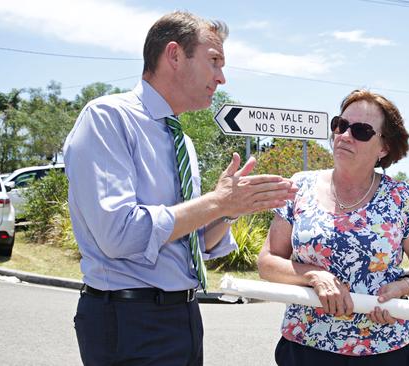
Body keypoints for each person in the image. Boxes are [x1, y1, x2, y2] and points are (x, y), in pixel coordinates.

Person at [63, 11, 296, 366]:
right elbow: (118, 234)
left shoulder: (181, 140)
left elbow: (193, 244)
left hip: (183, 317)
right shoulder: (108, 118)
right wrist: (216, 202)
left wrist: (229, 210)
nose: (221, 77)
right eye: (214, 61)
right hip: (129, 321)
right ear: (174, 55)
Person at [258, 89, 409, 365]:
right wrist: (314, 275)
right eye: (340, 125)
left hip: (384, 350)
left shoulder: (402, 199)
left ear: (384, 147)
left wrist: (401, 289)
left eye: (361, 130)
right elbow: (267, 262)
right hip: (305, 347)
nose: (344, 136)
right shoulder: (300, 187)